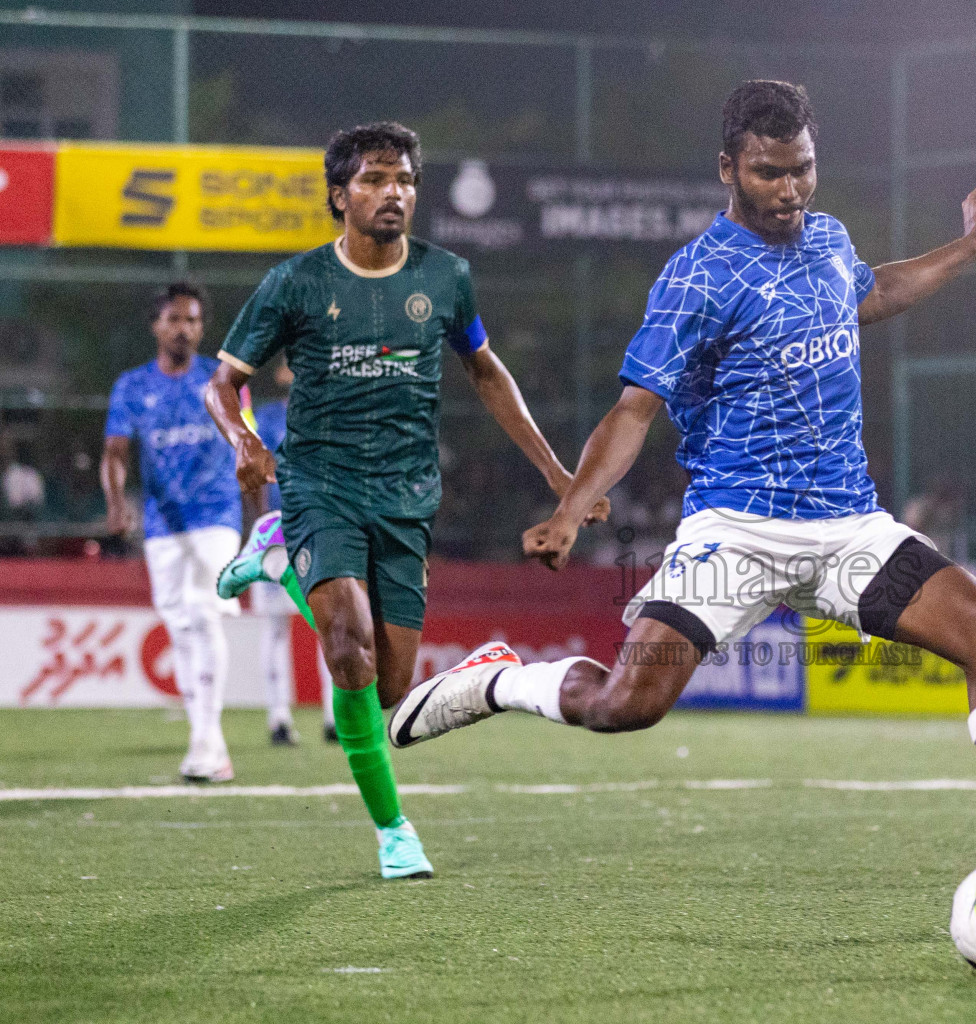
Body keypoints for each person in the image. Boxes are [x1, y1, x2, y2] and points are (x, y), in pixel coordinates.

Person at [393, 81, 976, 920]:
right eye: (770, 173)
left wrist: (965, 249)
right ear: (728, 169)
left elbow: (872, 294)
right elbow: (636, 408)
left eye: (804, 170)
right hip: (735, 531)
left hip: (849, 527)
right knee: (623, 707)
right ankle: (498, 683)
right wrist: (572, 505)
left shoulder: (827, 238)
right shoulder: (697, 278)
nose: (790, 191)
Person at [203, 122, 607, 880]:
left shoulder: (446, 277)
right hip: (320, 482)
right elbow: (223, 382)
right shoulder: (295, 283)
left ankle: (271, 557)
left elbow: (486, 372)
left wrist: (559, 475)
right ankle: (395, 832)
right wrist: (246, 443)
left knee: (392, 696)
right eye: (376, 179)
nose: (395, 193)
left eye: (406, 181)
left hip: (406, 494)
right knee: (347, 652)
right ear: (339, 195)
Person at [101, 282, 244, 783]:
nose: (185, 329)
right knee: (181, 627)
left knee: (205, 615)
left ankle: (206, 743)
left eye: (194, 320)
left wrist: (259, 509)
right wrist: (118, 505)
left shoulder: (222, 381)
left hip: (215, 517)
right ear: (157, 325)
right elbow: (116, 454)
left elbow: (246, 440)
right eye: (175, 319)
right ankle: (207, 740)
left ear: (202, 328)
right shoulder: (132, 387)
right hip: (163, 525)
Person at [246, 356, 337, 746]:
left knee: (329, 623)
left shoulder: (330, 415)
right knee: (276, 628)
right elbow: (253, 473)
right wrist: (262, 527)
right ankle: (279, 718)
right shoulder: (265, 417)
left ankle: (335, 717)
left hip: (320, 529)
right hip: (278, 531)